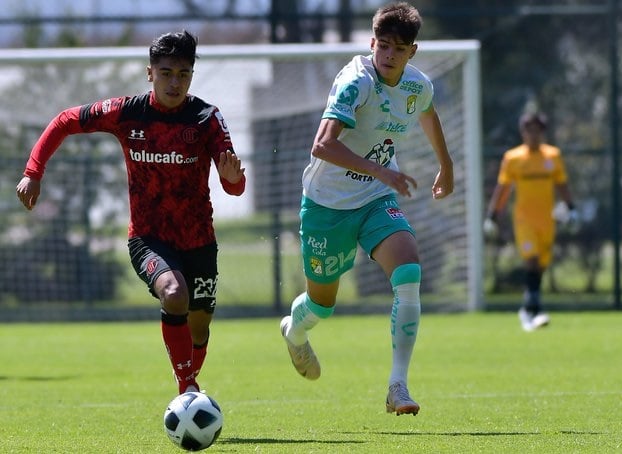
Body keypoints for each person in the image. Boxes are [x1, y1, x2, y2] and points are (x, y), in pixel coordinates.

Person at [16, 30, 246, 395]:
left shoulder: (207, 118)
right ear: (150, 73)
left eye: (183, 74)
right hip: (148, 237)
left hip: (199, 239)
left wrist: (233, 180)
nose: (175, 83)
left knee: (199, 325)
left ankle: (187, 383)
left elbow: (235, 185)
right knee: (174, 294)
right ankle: (188, 390)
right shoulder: (127, 112)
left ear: (192, 75)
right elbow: (65, 120)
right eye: (166, 73)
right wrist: (33, 172)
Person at [278, 2, 454, 417]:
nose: (389, 55)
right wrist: (382, 170)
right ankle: (294, 332)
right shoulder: (355, 83)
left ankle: (398, 385)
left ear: (412, 52)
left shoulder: (417, 85)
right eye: (384, 45)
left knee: (408, 271)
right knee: (321, 305)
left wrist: (446, 165)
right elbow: (322, 145)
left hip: (376, 197)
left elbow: (428, 113)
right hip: (327, 203)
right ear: (372, 43)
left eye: (399, 49)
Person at [483, 111, 577, 332]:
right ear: (522, 132)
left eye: (537, 131)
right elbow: (503, 188)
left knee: (541, 265)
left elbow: (561, 183)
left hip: (547, 220)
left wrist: (571, 208)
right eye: (529, 130)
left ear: (543, 133)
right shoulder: (513, 158)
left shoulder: (553, 156)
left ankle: (528, 307)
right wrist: (492, 215)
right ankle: (535, 310)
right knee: (532, 261)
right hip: (524, 220)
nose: (533, 135)